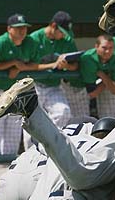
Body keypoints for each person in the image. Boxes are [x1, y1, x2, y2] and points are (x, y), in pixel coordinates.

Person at [0, 14, 39, 157]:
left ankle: (8, 163)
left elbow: (33, 63)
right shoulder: (0, 42)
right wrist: (13, 63)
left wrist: (19, 67)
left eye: (24, 28)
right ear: (9, 29)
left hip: (15, 93)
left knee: (13, 132)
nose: (22, 31)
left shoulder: (30, 42)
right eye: (18, 28)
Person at [26, 11, 77, 146]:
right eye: (61, 31)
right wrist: (53, 64)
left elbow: (76, 65)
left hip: (54, 86)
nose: (63, 35)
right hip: (33, 85)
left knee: (63, 112)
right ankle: (29, 156)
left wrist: (66, 66)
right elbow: (26, 65)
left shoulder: (66, 40)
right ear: (53, 26)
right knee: (29, 121)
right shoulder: (34, 38)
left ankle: (48, 145)